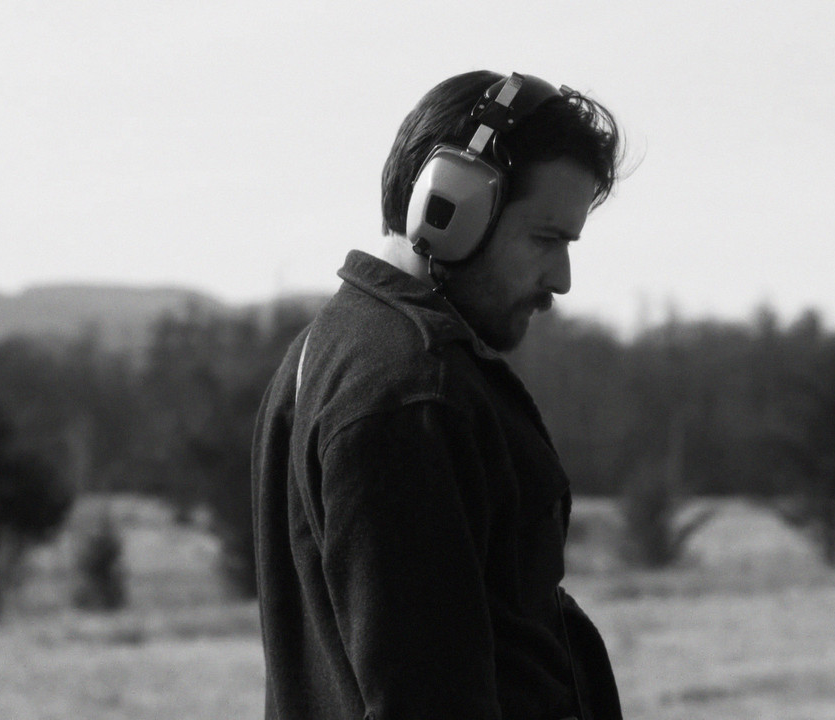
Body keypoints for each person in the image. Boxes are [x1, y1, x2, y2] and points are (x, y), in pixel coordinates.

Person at [251, 70, 624, 720]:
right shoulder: (412, 395)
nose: (561, 279)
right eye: (546, 239)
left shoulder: (331, 353)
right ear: (449, 208)